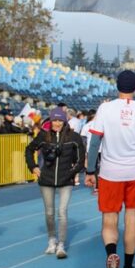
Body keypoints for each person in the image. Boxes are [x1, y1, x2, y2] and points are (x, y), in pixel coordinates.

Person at [84, 70, 135, 268]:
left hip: (110, 172)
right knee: (132, 217)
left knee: (109, 218)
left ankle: (111, 253)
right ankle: (127, 267)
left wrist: (90, 171)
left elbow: (95, 142)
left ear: (117, 86)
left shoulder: (105, 109)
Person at [25, 107, 85, 258]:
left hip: (66, 180)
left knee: (62, 213)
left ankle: (61, 245)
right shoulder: (44, 136)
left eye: (60, 120)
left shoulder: (74, 137)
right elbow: (29, 149)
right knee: (49, 213)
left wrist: (72, 172)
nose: (57, 123)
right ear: (50, 121)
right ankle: (52, 240)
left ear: (64, 121)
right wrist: (33, 167)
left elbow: (80, 159)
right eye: (54, 120)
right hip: (47, 179)